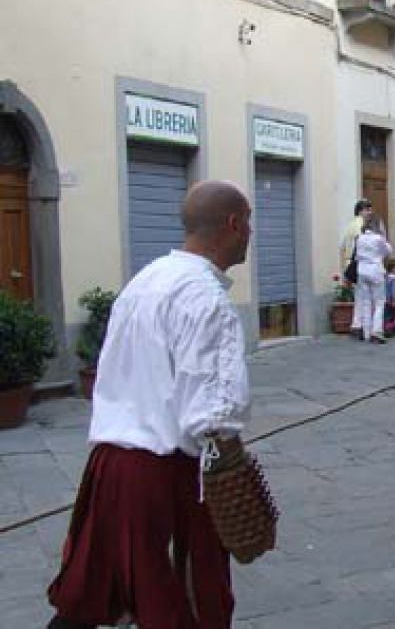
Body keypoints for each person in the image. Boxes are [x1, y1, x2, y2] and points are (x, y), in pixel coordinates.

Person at [46, 181, 254, 629]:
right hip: (169, 477)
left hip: (110, 468)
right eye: (249, 222)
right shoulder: (208, 300)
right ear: (234, 224)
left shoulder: (144, 281)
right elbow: (213, 415)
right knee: (182, 606)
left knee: (91, 597)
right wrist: (235, 481)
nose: (251, 233)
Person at [355, 216, 392, 343]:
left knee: (366, 302)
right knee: (379, 302)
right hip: (375, 270)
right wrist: (384, 236)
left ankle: (366, 332)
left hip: (362, 271)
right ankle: (376, 331)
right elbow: (387, 251)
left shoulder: (360, 238)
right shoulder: (378, 238)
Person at [341, 198, 373, 339]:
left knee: (359, 296)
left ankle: (356, 325)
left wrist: (345, 270)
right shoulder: (361, 225)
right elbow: (364, 246)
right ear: (361, 211)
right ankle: (361, 327)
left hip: (350, 264)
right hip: (359, 263)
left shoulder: (349, 225)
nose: (370, 212)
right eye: (367, 209)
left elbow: (342, 247)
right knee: (364, 297)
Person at [383, 256, 395, 337]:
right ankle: (392, 329)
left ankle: (388, 328)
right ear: (392, 268)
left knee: (388, 315)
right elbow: (394, 290)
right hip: (393, 300)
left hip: (387, 299)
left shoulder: (386, 278)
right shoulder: (394, 279)